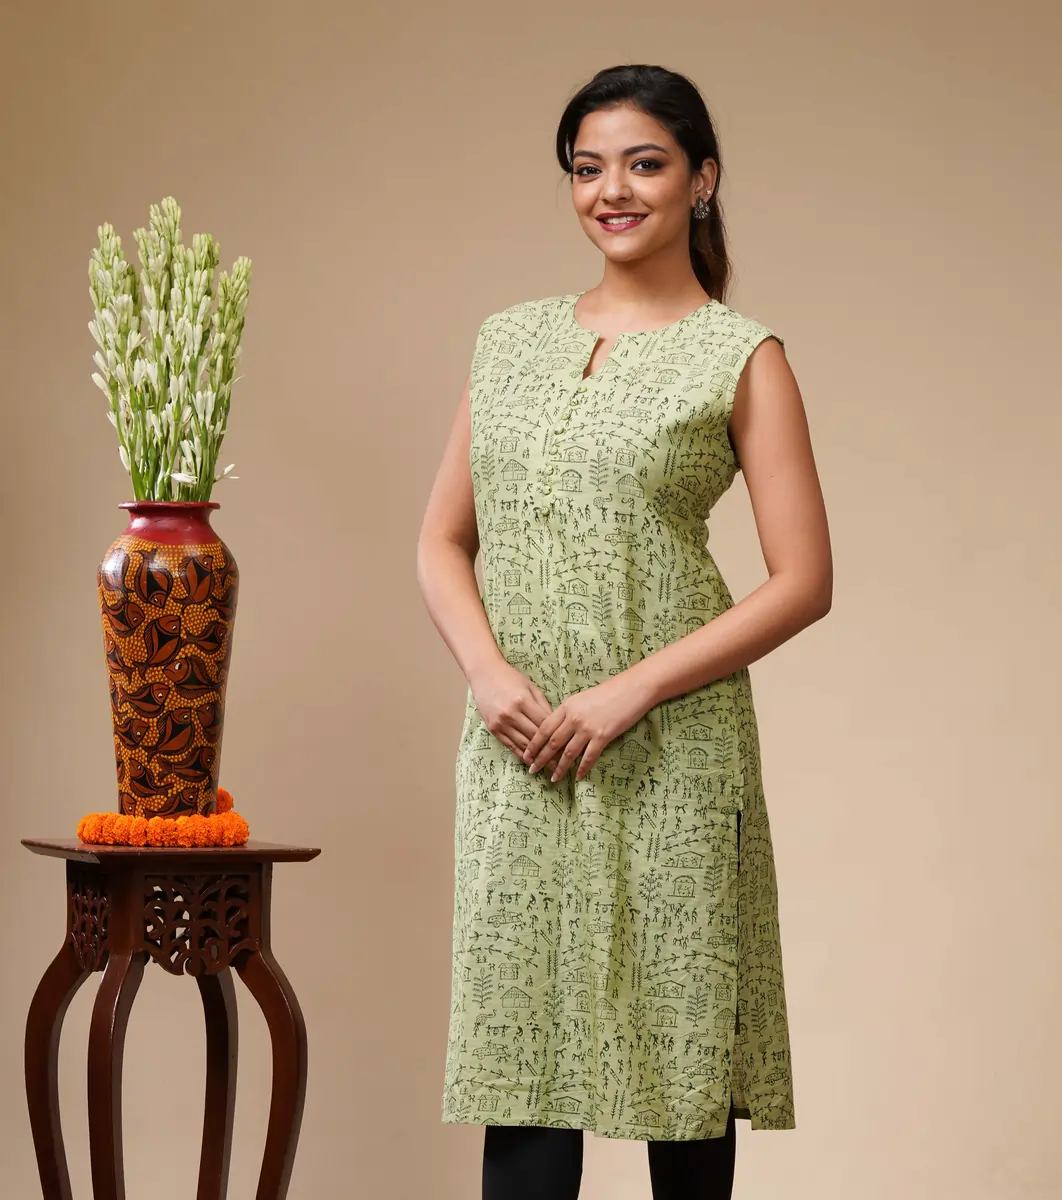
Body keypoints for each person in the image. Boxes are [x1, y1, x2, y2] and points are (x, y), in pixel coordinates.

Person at [417, 63, 833, 1200]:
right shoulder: (507, 341)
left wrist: (631, 690)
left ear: (702, 180)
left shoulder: (742, 355)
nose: (613, 190)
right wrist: (487, 672)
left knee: (680, 1058)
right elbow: (442, 540)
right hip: (520, 748)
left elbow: (803, 581)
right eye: (587, 168)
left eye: (644, 164)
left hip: (672, 754)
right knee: (522, 1066)